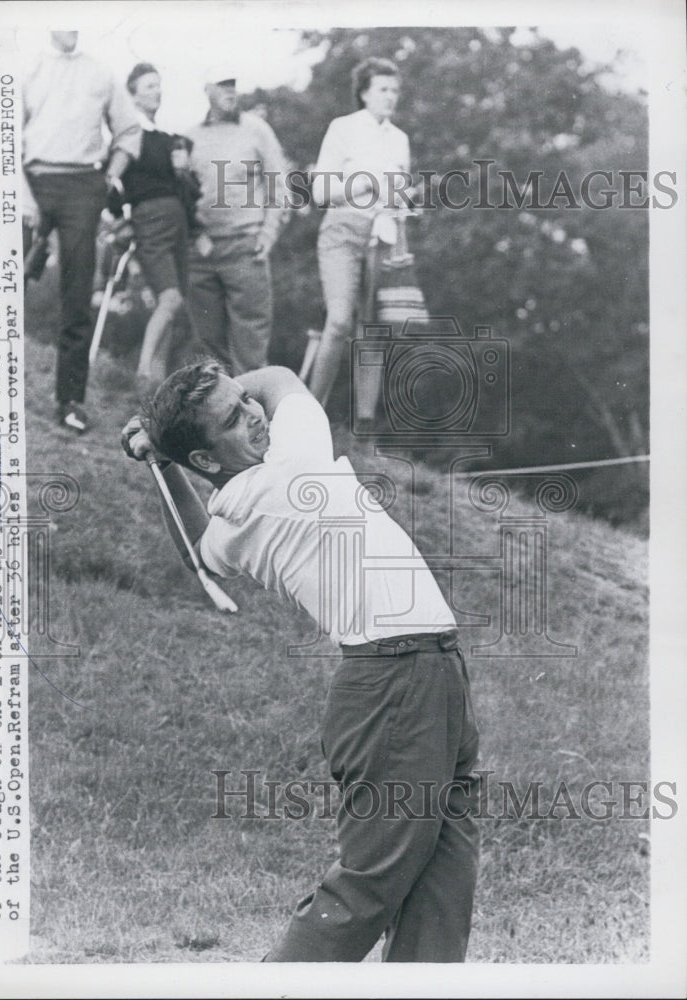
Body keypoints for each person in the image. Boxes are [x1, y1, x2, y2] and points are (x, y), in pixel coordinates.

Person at [121, 361, 481, 962]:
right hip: (397, 681)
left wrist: (164, 456)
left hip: (426, 670)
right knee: (369, 884)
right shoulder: (291, 467)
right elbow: (283, 377)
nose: (254, 414)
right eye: (234, 418)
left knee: (444, 877)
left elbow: (199, 553)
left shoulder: (234, 510)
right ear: (207, 460)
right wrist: (167, 440)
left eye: (244, 402)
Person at [22, 29, 141, 434]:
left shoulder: (101, 72)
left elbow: (128, 131)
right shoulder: (27, 65)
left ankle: (70, 400)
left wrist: (108, 179)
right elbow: (0, 136)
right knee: (3, 284)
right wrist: (23, 198)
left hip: (82, 189)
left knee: (77, 295)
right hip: (28, 180)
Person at [308, 57, 413, 425]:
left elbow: (401, 195)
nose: (390, 97)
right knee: (338, 322)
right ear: (364, 93)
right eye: (383, 89)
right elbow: (321, 191)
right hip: (343, 229)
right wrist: (367, 183)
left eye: (395, 90)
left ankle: (365, 426)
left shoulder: (400, 139)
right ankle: (309, 411)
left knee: (373, 331)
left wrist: (403, 200)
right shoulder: (344, 128)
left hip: (385, 236)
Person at [118, 63, 212, 397]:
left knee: (172, 304)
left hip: (178, 223)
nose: (156, 91)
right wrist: (119, 219)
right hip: (151, 221)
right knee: (170, 299)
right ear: (132, 94)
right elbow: (115, 183)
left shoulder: (170, 138)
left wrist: (196, 228)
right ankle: (143, 371)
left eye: (158, 85)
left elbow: (186, 188)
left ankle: (154, 392)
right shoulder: (128, 133)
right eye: (148, 87)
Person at [185, 67, 287, 374]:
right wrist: (194, 233)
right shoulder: (189, 137)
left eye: (233, 85)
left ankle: (255, 416)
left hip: (245, 246)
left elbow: (278, 184)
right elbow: (180, 193)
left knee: (251, 347)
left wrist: (268, 233)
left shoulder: (256, 129)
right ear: (207, 89)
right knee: (208, 349)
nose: (231, 91)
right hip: (201, 253)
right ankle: (220, 417)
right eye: (223, 85)